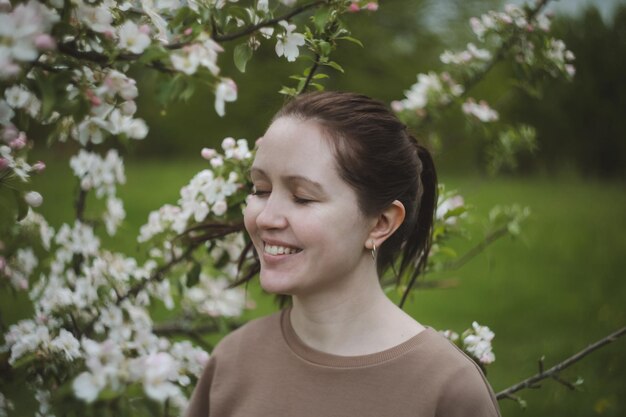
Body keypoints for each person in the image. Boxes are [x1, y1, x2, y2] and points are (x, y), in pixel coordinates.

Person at [184, 91, 501, 417]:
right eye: (261, 190)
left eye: (302, 197)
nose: (266, 217)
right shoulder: (234, 361)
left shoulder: (448, 389)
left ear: (380, 223)